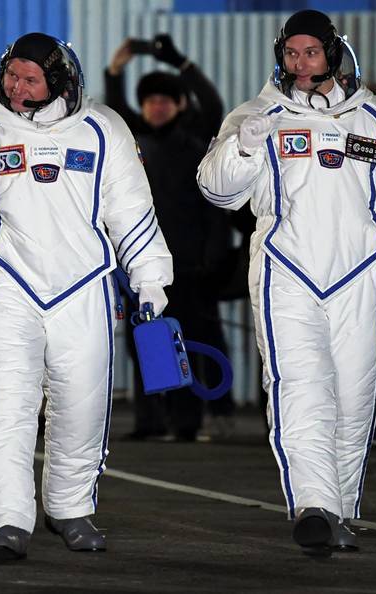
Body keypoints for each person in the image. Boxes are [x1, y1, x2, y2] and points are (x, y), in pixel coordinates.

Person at [0, 33, 173, 560]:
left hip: (83, 285)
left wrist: (151, 278)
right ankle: (7, 520)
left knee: (82, 403)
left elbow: (131, 208)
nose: (16, 87)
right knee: (4, 404)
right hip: (7, 281)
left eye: (30, 79)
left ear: (60, 81)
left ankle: (70, 507)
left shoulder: (102, 128)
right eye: (11, 75)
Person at [196, 10, 376, 555]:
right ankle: (315, 503)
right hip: (287, 273)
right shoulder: (256, 114)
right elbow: (217, 192)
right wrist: (244, 146)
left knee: (355, 397)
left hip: (361, 274)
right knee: (301, 388)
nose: (300, 63)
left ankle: (341, 506)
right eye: (291, 53)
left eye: (311, 52)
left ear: (334, 53)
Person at [105, 35, 234, 442]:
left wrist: (181, 62)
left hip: (192, 265)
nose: (157, 106)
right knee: (143, 343)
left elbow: (212, 104)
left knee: (194, 340)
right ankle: (150, 420)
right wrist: (115, 72)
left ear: (178, 105)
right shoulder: (132, 144)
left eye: (166, 100)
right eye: (150, 100)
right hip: (140, 266)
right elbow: (112, 113)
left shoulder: (196, 140)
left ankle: (189, 422)